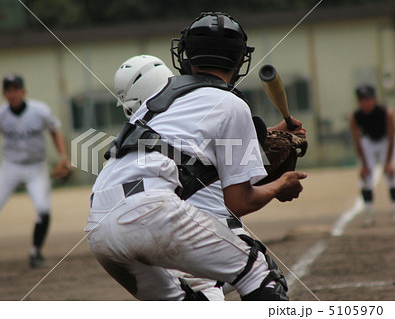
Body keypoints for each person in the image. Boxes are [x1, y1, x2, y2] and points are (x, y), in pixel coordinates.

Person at [86, 12, 306, 300]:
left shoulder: (157, 98)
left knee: (195, 300)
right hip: (150, 211)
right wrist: (280, 185)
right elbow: (238, 201)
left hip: (98, 224)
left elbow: (188, 149)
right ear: (241, 61)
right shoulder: (232, 104)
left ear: (185, 55)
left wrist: (269, 135)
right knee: (258, 271)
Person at [0, 74, 69, 273]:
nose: (13, 94)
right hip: (9, 167)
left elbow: (55, 131)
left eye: (16, 89)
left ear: (23, 91)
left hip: (36, 167)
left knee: (43, 209)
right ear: (3, 93)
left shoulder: (41, 111)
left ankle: (35, 252)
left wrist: (63, 156)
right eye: (8, 90)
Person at [350, 84, 395, 227]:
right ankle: (369, 213)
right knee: (365, 177)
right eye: (362, 100)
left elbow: (391, 136)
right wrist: (364, 165)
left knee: (392, 174)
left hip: (385, 142)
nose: (365, 103)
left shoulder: (385, 113)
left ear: (374, 99)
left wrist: (388, 162)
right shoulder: (356, 116)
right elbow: (357, 140)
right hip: (368, 142)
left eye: (368, 99)